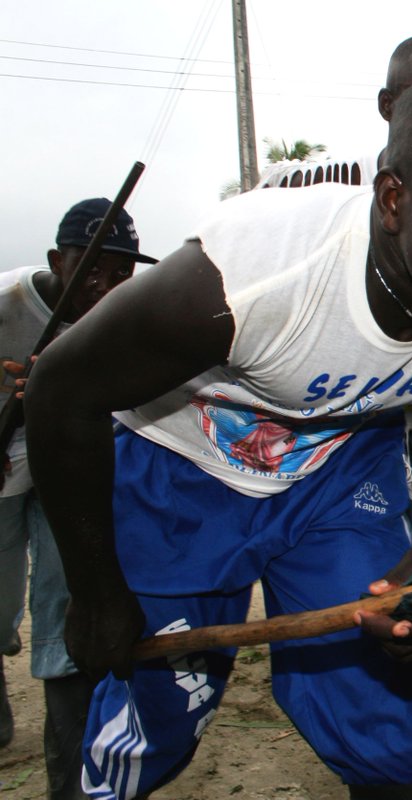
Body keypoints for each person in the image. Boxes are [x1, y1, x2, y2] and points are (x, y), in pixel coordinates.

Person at [24, 73, 412, 800]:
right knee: (152, 723)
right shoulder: (252, 276)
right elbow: (60, 390)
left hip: (339, 477)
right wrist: (93, 590)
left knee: (392, 730)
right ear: (394, 200)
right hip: (183, 470)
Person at [0, 199, 155, 796]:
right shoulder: (10, 301)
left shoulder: (129, 322)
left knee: (69, 594)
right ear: (55, 262)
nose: (105, 286)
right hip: (5, 464)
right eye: (91, 269)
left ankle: (70, 773)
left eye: (121, 273)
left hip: (69, 471)